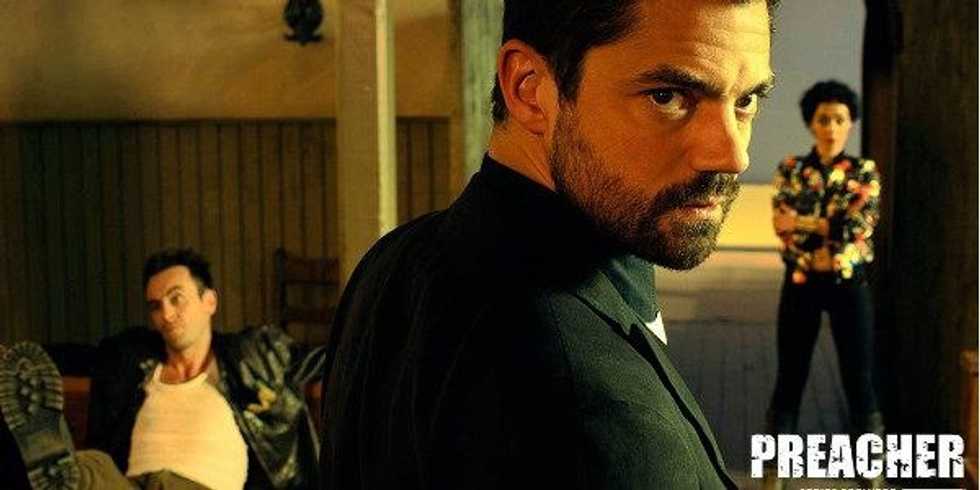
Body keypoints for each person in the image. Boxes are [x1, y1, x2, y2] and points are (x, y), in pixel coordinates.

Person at [319, 1, 777, 488]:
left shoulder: (393, 258)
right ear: (530, 88)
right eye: (667, 96)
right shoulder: (591, 409)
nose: (733, 155)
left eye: (745, 100)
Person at [0, 248, 324, 489]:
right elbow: (78, 357)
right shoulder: (130, 361)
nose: (166, 315)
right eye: (156, 305)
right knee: (91, 466)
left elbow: (327, 361)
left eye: (176, 298)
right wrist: (14, 358)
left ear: (209, 301)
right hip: (133, 484)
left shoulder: (253, 358)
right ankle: (56, 468)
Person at [764, 80, 884, 489]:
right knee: (790, 374)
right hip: (801, 283)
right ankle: (775, 469)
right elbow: (782, 226)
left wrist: (807, 223)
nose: (831, 127)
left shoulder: (864, 171)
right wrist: (830, 225)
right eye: (823, 119)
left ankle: (871, 469)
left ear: (851, 123)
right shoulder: (791, 169)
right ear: (811, 123)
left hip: (849, 285)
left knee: (859, 375)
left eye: (839, 119)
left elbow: (859, 226)